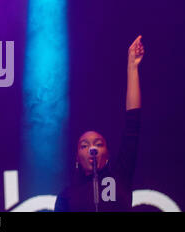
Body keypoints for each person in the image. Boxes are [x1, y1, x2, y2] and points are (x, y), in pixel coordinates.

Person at [54, 35, 144, 212]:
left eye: (98, 144)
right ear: (77, 157)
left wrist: (132, 67)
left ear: (107, 153)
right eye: (84, 145)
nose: (92, 149)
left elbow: (133, 123)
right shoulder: (67, 196)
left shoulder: (120, 178)